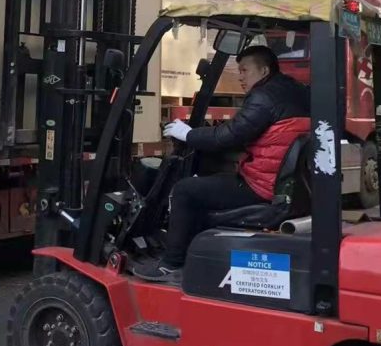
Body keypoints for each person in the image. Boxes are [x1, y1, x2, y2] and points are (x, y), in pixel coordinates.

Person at [132, 46, 310, 282]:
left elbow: (228, 135)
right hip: (283, 183)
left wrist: (188, 134)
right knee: (210, 175)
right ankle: (193, 251)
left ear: (264, 71)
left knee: (185, 190)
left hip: (262, 187)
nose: (240, 77)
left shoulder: (263, 97)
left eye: (245, 70)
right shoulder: (295, 91)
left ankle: (171, 264)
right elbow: (256, 136)